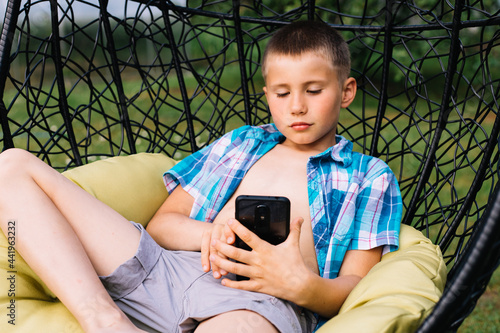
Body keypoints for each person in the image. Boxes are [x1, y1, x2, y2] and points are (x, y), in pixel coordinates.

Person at [0, 20, 401, 333]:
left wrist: (300, 285)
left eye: (313, 90)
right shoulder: (242, 144)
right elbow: (162, 225)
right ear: (267, 95)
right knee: (12, 165)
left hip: (258, 302)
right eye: (282, 93)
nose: (296, 106)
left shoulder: (368, 177)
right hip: (167, 271)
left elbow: (354, 287)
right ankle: (103, 320)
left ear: (346, 91)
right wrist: (208, 233)